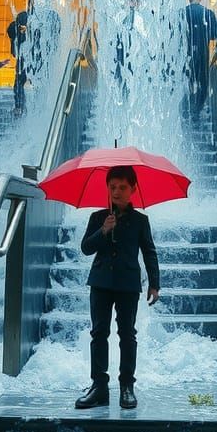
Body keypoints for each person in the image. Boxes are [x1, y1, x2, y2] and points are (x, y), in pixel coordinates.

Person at [75, 165, 160, 411]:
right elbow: (86, 248)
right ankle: (99, 386)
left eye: (123, 187)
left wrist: (154, 283)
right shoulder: (98, 218)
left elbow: (149, 252)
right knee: (99, 333)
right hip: (100, 283)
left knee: (127, 334)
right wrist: (104, 231)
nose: (117, 192)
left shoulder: (141, 221)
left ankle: (127, 387)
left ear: (133, 189)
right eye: (113, 187)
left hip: (128, 285)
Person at [182, 0, 217, 119]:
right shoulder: (208, 14)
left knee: (185, 82)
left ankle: (186, 109)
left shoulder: (181, 13)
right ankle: (196, 111)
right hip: (202, 55)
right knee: (203, 84)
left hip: (185, 57)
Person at [113, 0, 148, 98]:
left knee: (121, 73)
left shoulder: (121, 14)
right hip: (131, 52)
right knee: (130, 74)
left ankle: (122, 96)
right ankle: (129, 97)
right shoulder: (138, 17)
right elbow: (144, 36)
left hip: (121, 51)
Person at [6, 9, 29, 116]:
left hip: (25, 62)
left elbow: (14, 53)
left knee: (18, 83)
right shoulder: (17, 31)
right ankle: (20, 107)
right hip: (29, 62)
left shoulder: (20, 33)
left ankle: (19, 107)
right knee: (19, 83)